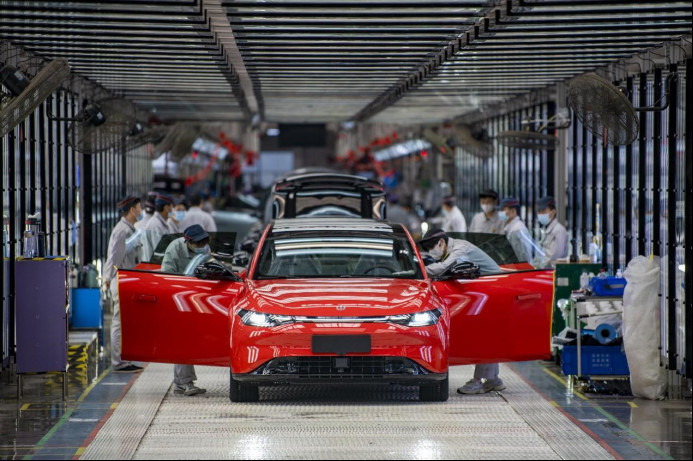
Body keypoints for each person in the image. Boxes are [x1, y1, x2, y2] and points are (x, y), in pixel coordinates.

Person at [418, 229, 505, 394]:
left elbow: (444, 267)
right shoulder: (449, 249)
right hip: (487, 291)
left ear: (442, 242)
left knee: (484, 336)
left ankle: (478, 381)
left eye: (431, 247)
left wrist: (418, 271)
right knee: (488, 335)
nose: (431, 252)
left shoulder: (460, 248)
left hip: (494, 290)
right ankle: (493, 379)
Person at [161, 225, 211, 396]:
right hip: (177, 298)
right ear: (188, 242)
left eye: (204, 242)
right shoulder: (174, 249)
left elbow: (209, 268)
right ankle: (184, 382)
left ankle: (181, 383)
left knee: (185, 340)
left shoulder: (204, 249)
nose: (202, 246)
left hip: (194, 299)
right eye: (198, 244)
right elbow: (166, 276)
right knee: (183, 340)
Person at [104, 196, 145, 374]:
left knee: (125, 321)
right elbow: (114, 258)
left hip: (126, 280)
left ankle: (124, 358)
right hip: (120, 280)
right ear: (132, 210)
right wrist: (108, 278)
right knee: (119, 322)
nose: (141, 211)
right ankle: (118, 362)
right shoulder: (122, 231)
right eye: (139, 208)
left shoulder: (129, 229)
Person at [533, 196, 569, 268]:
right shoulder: (546, 230)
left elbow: (555, 257)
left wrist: (540, 267)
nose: (540, 214)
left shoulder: (559, 230)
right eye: (539, 212)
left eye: (543, 211)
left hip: (554, 272)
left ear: (553, 212)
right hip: (544, 271)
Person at [498, 197, 534, 263]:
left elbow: (523, 257)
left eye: (503, 210)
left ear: (513, 211)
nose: (500, 213)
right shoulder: (510, 227)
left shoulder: (517, 230)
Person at [142, 194, 174, 261]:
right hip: (153, 268)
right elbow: (160, 254)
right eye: (172, 206)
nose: (172, 210)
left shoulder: (161, 223)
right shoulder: (156, 225)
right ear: (166, 208)